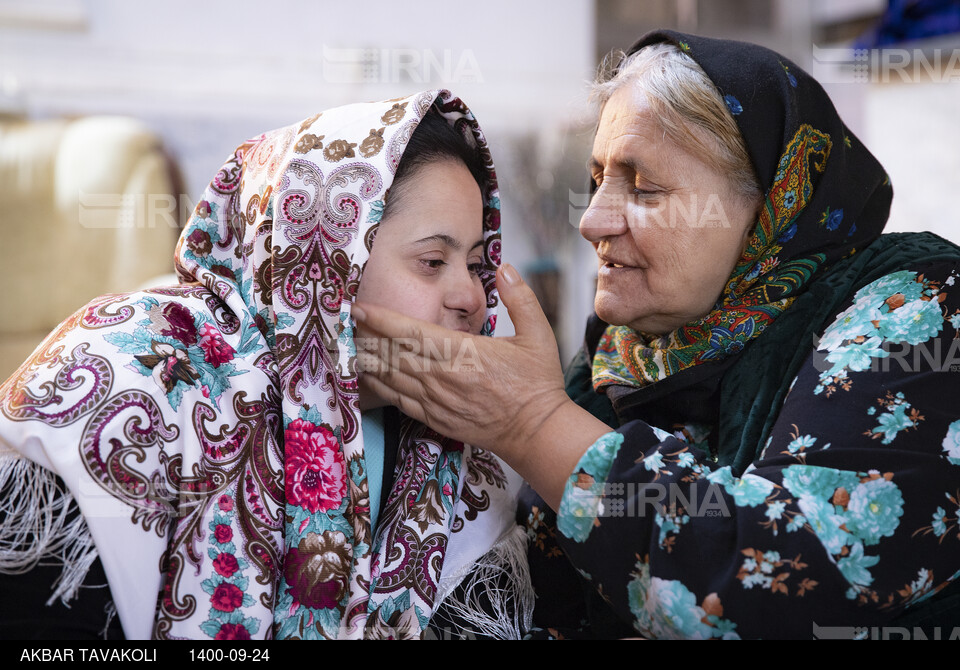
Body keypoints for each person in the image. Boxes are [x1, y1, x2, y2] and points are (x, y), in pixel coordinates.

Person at [352, 31, 960, 639]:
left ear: (770, 205)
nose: (592, 220)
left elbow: (771, 586)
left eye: (643, 188)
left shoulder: (916, 308)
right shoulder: (621, 356)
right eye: (597, 179)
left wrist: (533, 423)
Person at [0, 90, 532, 640]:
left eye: (475, 265)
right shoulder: (135, 366)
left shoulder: (460, 452)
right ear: (324, 255)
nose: (471, 296)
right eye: (432, 262)